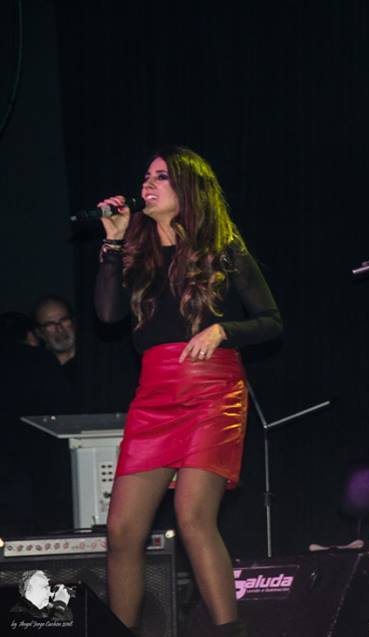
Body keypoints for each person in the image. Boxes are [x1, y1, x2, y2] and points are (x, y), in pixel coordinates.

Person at [95, 146, 282, 636]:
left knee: (193, 516)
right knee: (122, 531)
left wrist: (224, 331)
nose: (147, 184)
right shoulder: (136, 249)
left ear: (188, 189)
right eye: (146, 176)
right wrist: (113, 243)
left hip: (210, 390)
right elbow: (108, 316)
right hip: (154, 394)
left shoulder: (224, 247)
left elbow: (271, 321)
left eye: (162, 177)